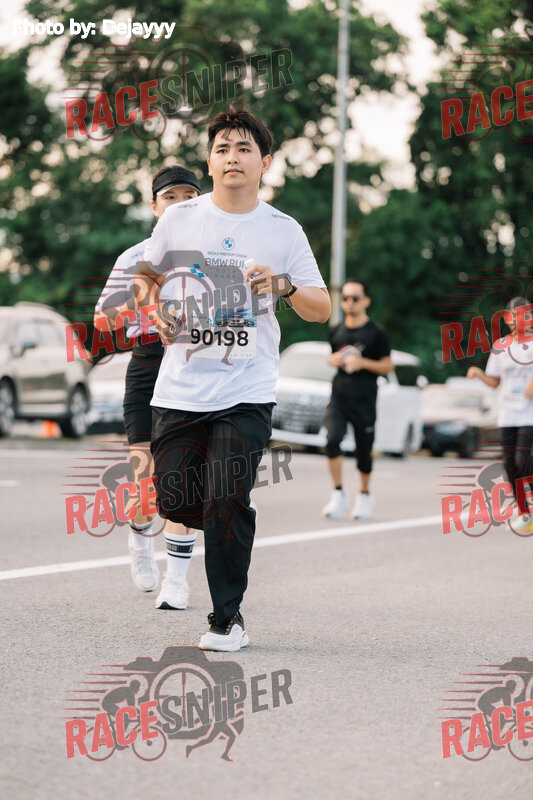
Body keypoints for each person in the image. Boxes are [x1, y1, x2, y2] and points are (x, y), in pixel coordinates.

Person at [137, 108, 330, 651]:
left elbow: (321, 308)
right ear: (209, 162)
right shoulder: (180, 219)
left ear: (265, 163)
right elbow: (147, 275)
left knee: (224, 498)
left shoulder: (283, 230)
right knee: (176, 499)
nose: (232, 157)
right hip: (180, 388)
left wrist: (284, 285)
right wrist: (156, 310)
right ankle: (233, 508)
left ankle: (227, 621)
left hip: (247, 388)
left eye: (244, 148)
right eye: (222, 148)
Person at [94, 165, 202, 604]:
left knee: (182, 479)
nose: (179, 205)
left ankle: (177, 580)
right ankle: (140, 542)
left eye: (188, 197)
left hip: (195, 365)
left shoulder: (214, 253)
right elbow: (101, 320)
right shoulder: (134, 256)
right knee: (145, 487)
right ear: (155, 206)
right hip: (148, 363)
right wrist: (136, 306)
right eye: (170, 197)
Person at [322, 279, 394, 520]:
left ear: (366, 301)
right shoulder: (336, 330)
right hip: (339, 397)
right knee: (332, 440)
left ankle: (364, 495)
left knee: (363, 451)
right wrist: (332, 359)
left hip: (364, 399)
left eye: (355, 298)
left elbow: (388, 365)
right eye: (345, 298)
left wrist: (362, 362)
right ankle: (338, 493)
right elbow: (332, 356)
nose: (349, 303)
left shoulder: (377, 333)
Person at [467, 296, 533, 534]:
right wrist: (479, 375)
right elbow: (495, 382)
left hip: (529, 414)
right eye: (515, 316)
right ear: (507, 319)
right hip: (507, 413)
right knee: (509, 464)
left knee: (523, 461)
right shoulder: (500, 346)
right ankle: (524, 512)